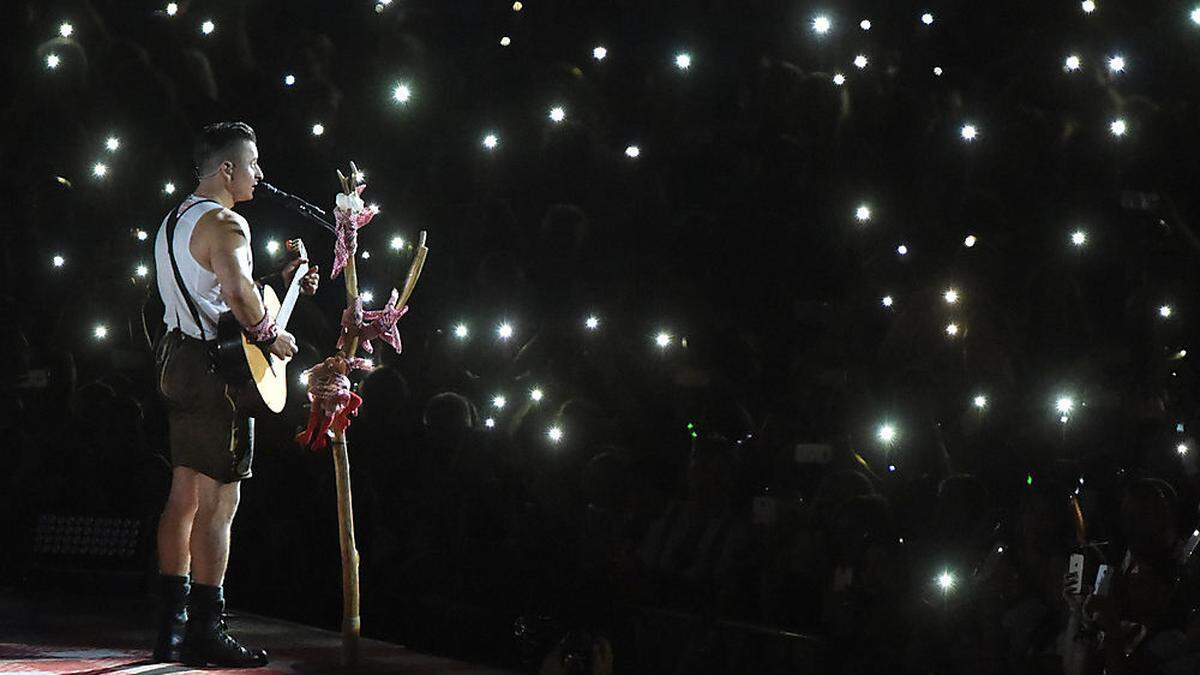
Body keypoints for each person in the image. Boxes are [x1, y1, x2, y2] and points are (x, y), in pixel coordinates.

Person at [150, 121, 319, 667]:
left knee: (184, 496)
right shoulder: (228, 223)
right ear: (227, 169)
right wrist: (276, 336)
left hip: (177, 360)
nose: (259, 174)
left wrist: (284, 278)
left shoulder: (176, 219)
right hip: (214, 374)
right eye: (252, 164)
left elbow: (212, 287)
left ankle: (170, 627)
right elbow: (243, 303)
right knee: (221, 503)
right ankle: (206, 629)